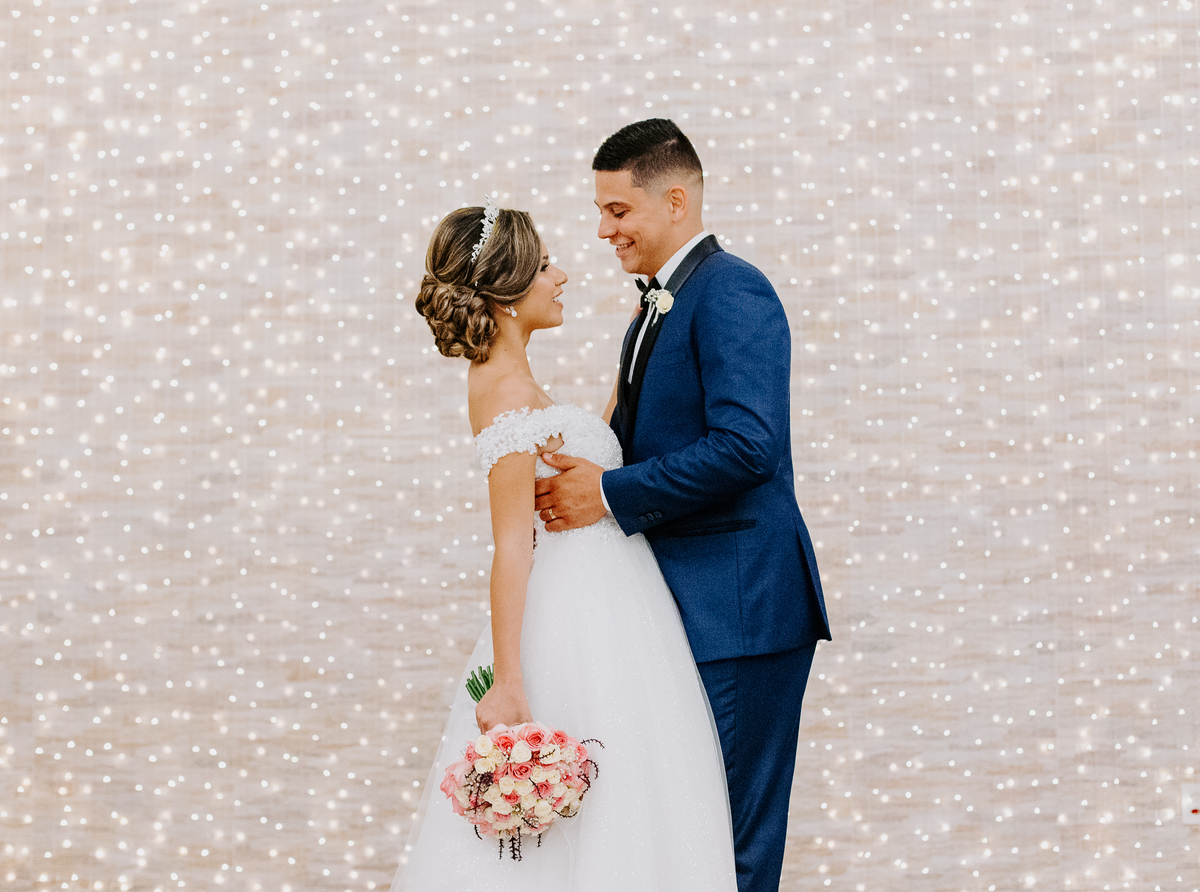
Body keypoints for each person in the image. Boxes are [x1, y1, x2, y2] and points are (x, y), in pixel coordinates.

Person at [390, 201, 737, 891]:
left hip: (610, 611)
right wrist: (509, 682)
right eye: (545, 264)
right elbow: (511, 546)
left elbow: (587, 451)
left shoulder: (518, 386)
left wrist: (638, 356)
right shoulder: (505, 393)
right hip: (580, 622)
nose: (562, 276)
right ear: (507, 291)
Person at [534, 118, 832, 892]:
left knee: (730, 844)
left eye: (618, 211)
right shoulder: (660, 303)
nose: (604, 230)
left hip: (738, 607)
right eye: (600, 212)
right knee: (688, 837)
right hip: (688, 607)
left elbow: (749, 447)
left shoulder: (732, 290)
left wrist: (606, 494)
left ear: (675, 200)